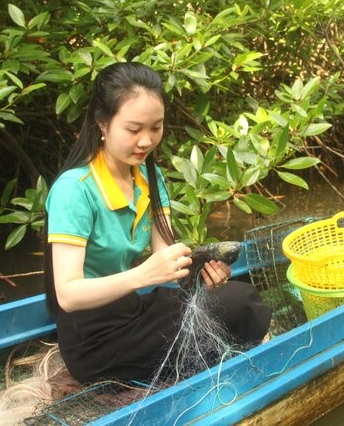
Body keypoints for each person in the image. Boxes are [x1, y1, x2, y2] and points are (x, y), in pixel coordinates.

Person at [44, 61, 271, 384]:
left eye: (156, 127)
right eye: (133, 129)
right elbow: (67, 294)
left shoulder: (151, 177)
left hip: (133, 309)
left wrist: (200, 272)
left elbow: (167, 262)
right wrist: (142, 274)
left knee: (237, 296)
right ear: (103, 124)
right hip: (95, 340)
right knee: (236, 309)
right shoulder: (74, 190)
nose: (146, 141)